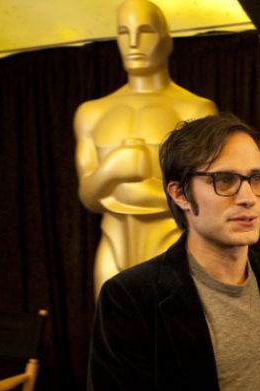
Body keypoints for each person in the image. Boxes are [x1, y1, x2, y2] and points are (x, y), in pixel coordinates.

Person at [85, 112, 260, 391]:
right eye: (225, 180)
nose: (248, 197)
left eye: (256, 178)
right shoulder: (130, 297)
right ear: (180, 193)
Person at [74, 0, 217, 299]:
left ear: (166, 40)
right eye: (124, 32)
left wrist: (137, 191)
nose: (133, 43)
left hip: (171, 240)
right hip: (113, 242)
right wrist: (112, 169)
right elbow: (88, 197)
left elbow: (204, 198)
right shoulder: (92, 113)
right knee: (112, 324)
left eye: (145, 31)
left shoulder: (194, 110)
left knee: (171, 325)